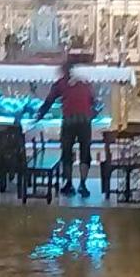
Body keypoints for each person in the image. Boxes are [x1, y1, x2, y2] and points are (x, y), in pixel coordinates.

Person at [36, 62, 97, 197]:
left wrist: (39, 115)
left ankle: (69, 184)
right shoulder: (85, 82)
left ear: (64, 71)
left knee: (67, 152)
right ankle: (83, 185)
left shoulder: (61, 83)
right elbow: (94, 101)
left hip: (69, 121)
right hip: (84, 121)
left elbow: (49, 101)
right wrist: (90, 114)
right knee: (85, 152)